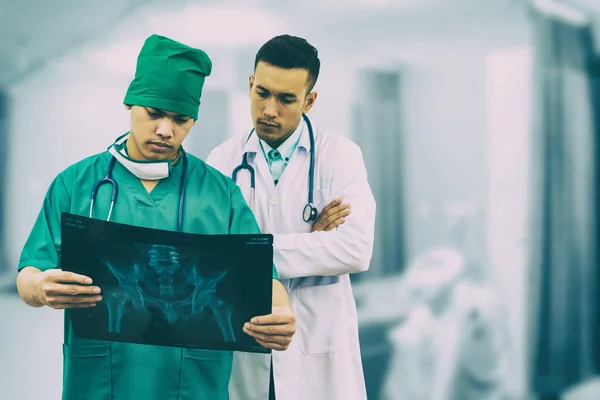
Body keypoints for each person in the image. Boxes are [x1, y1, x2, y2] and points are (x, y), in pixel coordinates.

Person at [15, 34, 296, 400]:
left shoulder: (220, 195)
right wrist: (40, 288)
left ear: (193, 121)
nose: (166, 130)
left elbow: (263, 279)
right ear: (131, 102)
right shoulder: (77, 184)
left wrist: (281, 312)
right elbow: (30, 272)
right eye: (154, 113)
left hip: (193, 385)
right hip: (100, 382)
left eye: (180, 119)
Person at [206, 34, 376, 400]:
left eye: (286, 99)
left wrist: (249, 253)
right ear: (250, 84)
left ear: (309, 100)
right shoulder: (222, 161)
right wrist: (313, 241)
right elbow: (209, 258)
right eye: (262, 92)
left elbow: (356, 249)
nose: (269, 110)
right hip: (243, 344)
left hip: (316, 351)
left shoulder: (339, 156)